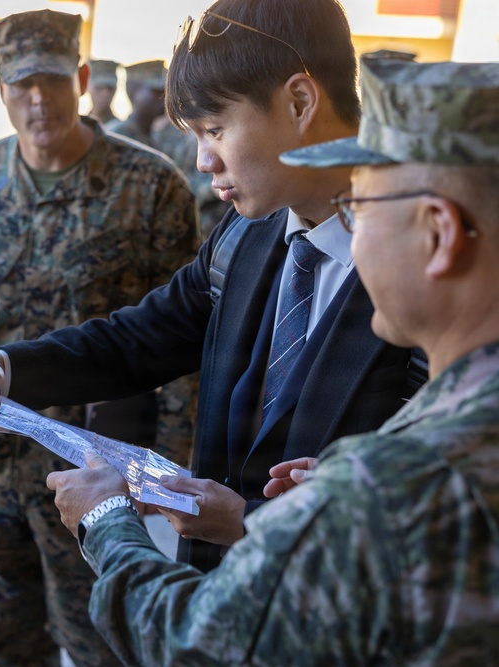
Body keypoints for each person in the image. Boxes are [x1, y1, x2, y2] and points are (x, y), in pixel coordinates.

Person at [43, 56, 499, 666]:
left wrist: (105, 518)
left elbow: (193, 640)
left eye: (361, 206)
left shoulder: (395, 484)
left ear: (438, 234)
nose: (350, 235)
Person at [0, 0, 421, 574]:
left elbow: (438, 501)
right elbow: (148, 333)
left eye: (215, 129)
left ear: (300, 102)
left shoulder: (430, 269)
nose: (202, 160)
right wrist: (11, 365)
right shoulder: (250, 230)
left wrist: (250, 524)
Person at [0, 9, 199, 666]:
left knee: (106, 642)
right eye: (20, 85)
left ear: (81, 79)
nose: (37, 100)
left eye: (53, 82)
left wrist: (163, 469)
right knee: (3, 642)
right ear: (0, 91)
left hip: (94, 466)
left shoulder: (150, 187)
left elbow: (187, 337)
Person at [105, 59, 166, 148]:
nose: (163, 98)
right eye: (156, 92)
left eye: (165, 92)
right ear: (134, 92)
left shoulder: (151, 135)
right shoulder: (116, 135)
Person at [87, 58, 121, 125]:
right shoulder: (78, 127)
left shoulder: (123, 131)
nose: (105, 94)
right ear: (88, 88)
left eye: (110, 89)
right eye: (99, 88)